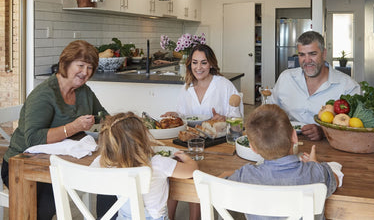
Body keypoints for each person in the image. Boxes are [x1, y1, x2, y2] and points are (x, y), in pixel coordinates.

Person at [1, 40, 107, 220]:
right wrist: (74, 127)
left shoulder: (84, 92)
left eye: (90, 68)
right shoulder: (45, 94)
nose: (85, 73)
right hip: (22, 165)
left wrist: (120, 122)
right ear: (65, 63)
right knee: (47, 202)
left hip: (61, 161)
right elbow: (33, 138)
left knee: (109, 180)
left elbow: (104, 116)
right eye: (80, 65)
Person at [163, 44, 243, 220]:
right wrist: (174, 116)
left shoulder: (224, 85)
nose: (199, 67)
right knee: (171, 173)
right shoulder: (187, 88)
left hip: (217, 145)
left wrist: (224, 118)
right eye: (194, 62)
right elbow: (183, 117)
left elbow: (238, 120)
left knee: (197, 175)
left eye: (204, 63)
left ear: (211, 64)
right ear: (189, 64)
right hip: (192, 142)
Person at [225, 104, 343, 220]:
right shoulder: (316, 172)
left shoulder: (245, 175)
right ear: (294, 137)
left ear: (253, 148)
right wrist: (314, 163)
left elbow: (220, 183)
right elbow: (336, 179)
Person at [91, 112, 198, 220]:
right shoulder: (158, 163)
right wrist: (186, 158)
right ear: (143, 138)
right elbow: (192, 170)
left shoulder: (106, 164)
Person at [273, 31, 360, 141]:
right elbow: (270, 110)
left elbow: (357, 128)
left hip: (331, 147)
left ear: (324, 54)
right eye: (302, 55)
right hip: (287, 143)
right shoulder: (286, 78)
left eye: (313, 54)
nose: (307, 60)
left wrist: (324, 132)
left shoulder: (348, 86)